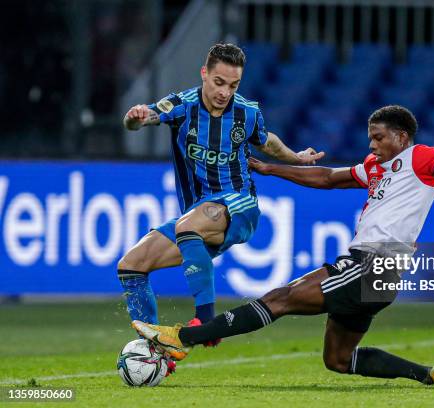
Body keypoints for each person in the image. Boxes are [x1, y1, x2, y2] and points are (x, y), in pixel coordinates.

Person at [131, 105, 434, 385]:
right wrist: (269, 168)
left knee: (279, 299)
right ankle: (429, 375)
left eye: (378, 137)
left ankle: (182, 338)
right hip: (373, 270)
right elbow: (329, 178)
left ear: (402, 137)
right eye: (370, 137)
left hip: (377, 263)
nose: (371, 144)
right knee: (338, 360)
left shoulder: (421, 159)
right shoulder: (376, 166)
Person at [119, 43, 323, 348]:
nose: (225, 92)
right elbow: (143, 118)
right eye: (219, 83)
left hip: (240, 205)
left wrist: (297, 158)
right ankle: (155, 351)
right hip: (197, 217)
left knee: (187, 225)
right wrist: (134, 118)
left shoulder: (247, 112)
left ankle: (205, 322)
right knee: (131, 265)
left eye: (233, 85)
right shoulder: (182, 105)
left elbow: (267, 143)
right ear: (204, 74)